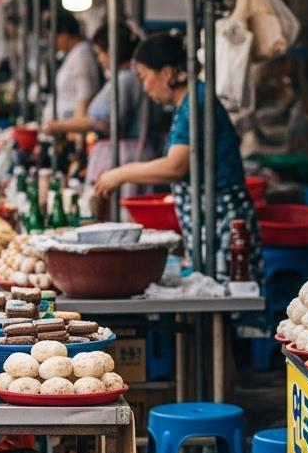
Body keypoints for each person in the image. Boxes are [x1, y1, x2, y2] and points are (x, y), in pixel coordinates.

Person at [96, 33, 262, 282]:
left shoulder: (195, 103)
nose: (144, 87)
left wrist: (121, 173)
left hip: (223, 219)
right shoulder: (190, 102)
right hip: (211, 217)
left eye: (144, 76)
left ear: (166, 73)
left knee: (230, 292)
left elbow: (175, 166)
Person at [46, 23, 155, 214]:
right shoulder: (121, 79)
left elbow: (105, 122)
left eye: (100, 53)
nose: (99, 59)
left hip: (122, 157)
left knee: (117, 214)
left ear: (112, 52)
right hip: (119, 155)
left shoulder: (124, 80)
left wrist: (58, 126)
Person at [42, 11, 102, 125]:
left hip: (69, 126)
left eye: (53, 37)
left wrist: (72, 130)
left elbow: (85, 97)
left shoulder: (81, 54)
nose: (52, 43)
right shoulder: (72, 54)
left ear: (64, 34)